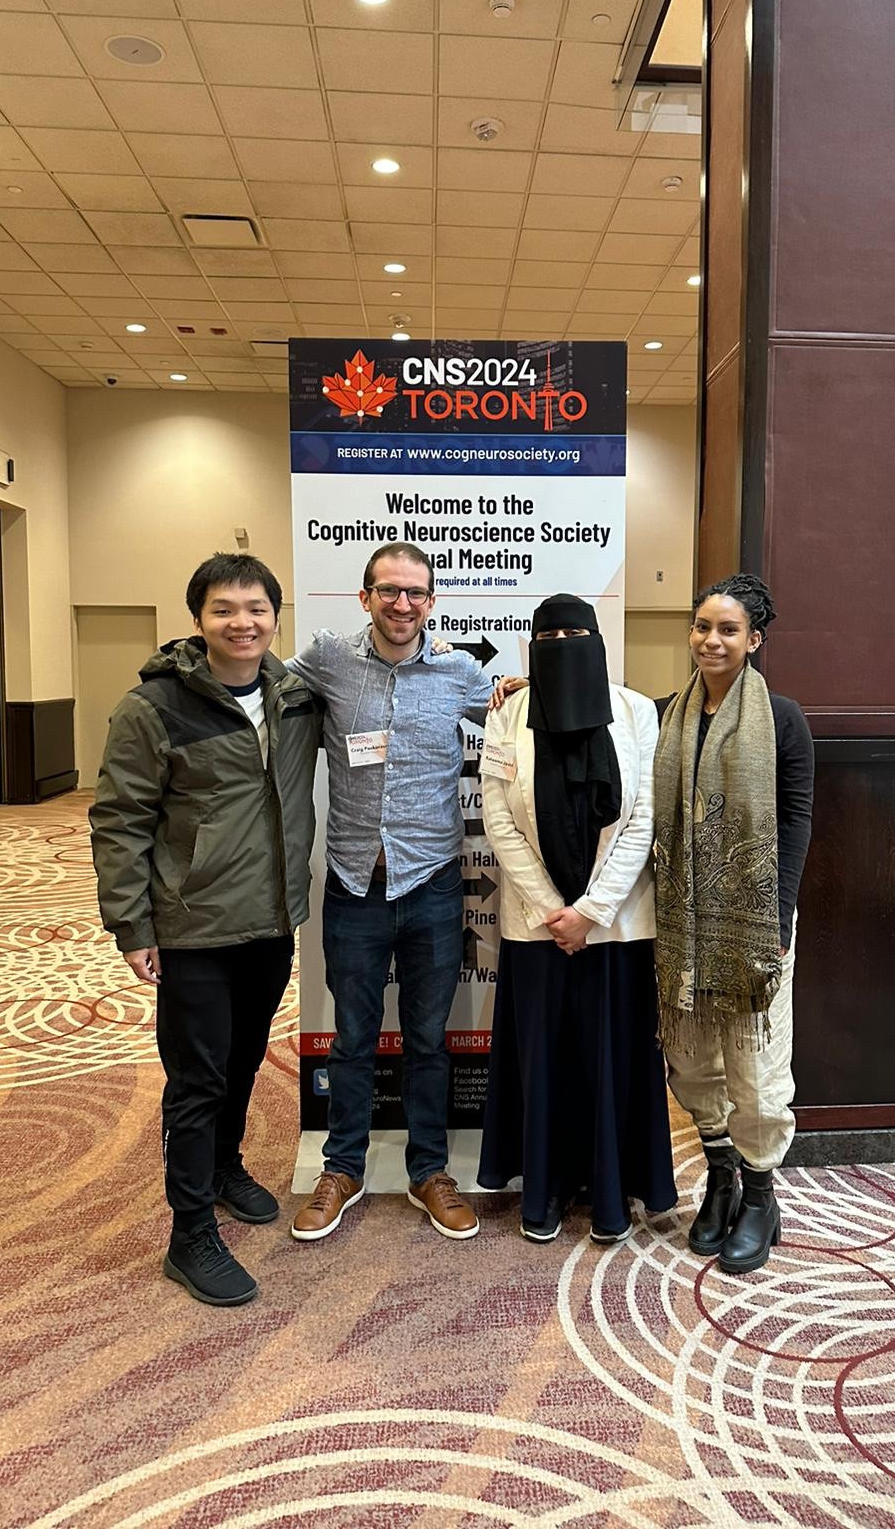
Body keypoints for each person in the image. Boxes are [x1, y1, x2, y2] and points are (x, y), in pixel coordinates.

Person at [90, 553, 322, 1308]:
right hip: (191, 927)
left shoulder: (294, 697)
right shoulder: (153, 708)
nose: (242, 623)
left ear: (275, 617)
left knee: (246, 1057)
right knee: (197, 1079)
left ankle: (224, 1168)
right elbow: (120, 820)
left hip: (268, 922)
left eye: (256, 608)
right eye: (225, 609)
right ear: (199, 619)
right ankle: (189, 1233)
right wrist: (132, 925)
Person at [288, 542, 495, 1244]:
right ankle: (341, 1167)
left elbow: (515, 718)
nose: (402, 604)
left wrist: (535, 687)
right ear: (365, 597)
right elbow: (260, 687)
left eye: (415, 593)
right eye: (389, 591)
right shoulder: (328, 659)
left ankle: (429, 1170)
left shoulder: (460, 671)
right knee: (351, 1038)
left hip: (434, 883)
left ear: (432, 602)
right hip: (353, 883)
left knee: (429, 1041)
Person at [478, 595, 676, 1244]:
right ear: (531, 645)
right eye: (549, 634)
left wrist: (589, 912)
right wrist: (549, 910)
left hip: (615, 929)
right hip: (536, 930)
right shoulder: (508, 712)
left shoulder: (634, 710)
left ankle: (612, 1193)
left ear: (597, 638)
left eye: (575, 632)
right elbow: (498, 817)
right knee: (546, 1060)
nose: (562, 642)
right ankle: (546, 1191)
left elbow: (643, 817)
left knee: (609, 1059)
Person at [654, 573, 814, 1276]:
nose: (710, 640)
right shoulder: (664, 714)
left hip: (755, 919)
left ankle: (759, 1196)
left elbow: (797, 819)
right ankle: (719, 1174)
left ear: (754, 640)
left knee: (754, 1063)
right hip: (679, 920)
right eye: (701, 627)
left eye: (726, 630)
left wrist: (777, 917)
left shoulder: (781, 719)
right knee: (690, 1056)